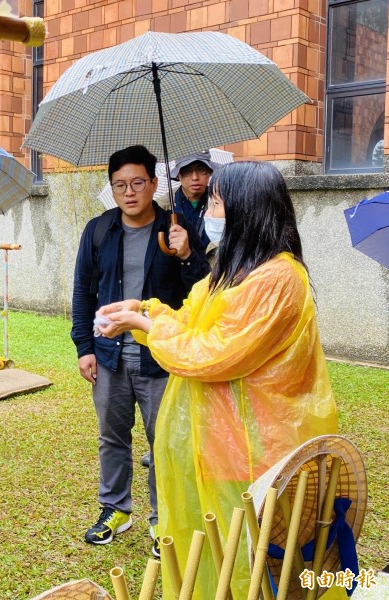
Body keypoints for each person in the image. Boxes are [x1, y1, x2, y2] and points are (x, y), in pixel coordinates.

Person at [97, 161, 339, 598]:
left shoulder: (279, 278)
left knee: (258, 560)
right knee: (222, 554)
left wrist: (148, 326)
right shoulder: (232, 274)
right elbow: (191, 321)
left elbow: (212, 355)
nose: (208, 209)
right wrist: (145, 310)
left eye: (216, 200)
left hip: (261, 448)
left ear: (247, 209)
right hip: (225, 444)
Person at [71, 145, 210, 554]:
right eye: (120, 185)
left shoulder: (178, 227)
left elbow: (203, 293)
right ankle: (115, 509)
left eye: (137, 183)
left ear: (153, 183)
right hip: (109, 353)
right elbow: (83, 292)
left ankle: (162, 519)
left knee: (162, 440)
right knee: (112, 437)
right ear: (111, 189)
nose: (129, 192)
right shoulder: (99, 230)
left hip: (160, 354)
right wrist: (84, 347)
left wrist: (186, 253)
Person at [169, 150, 219, 250]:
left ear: (210, 172)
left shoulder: (222, 203)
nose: (195, 177)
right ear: (178, 175)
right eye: (187, 171)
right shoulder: (163, 206)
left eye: (201, 170)